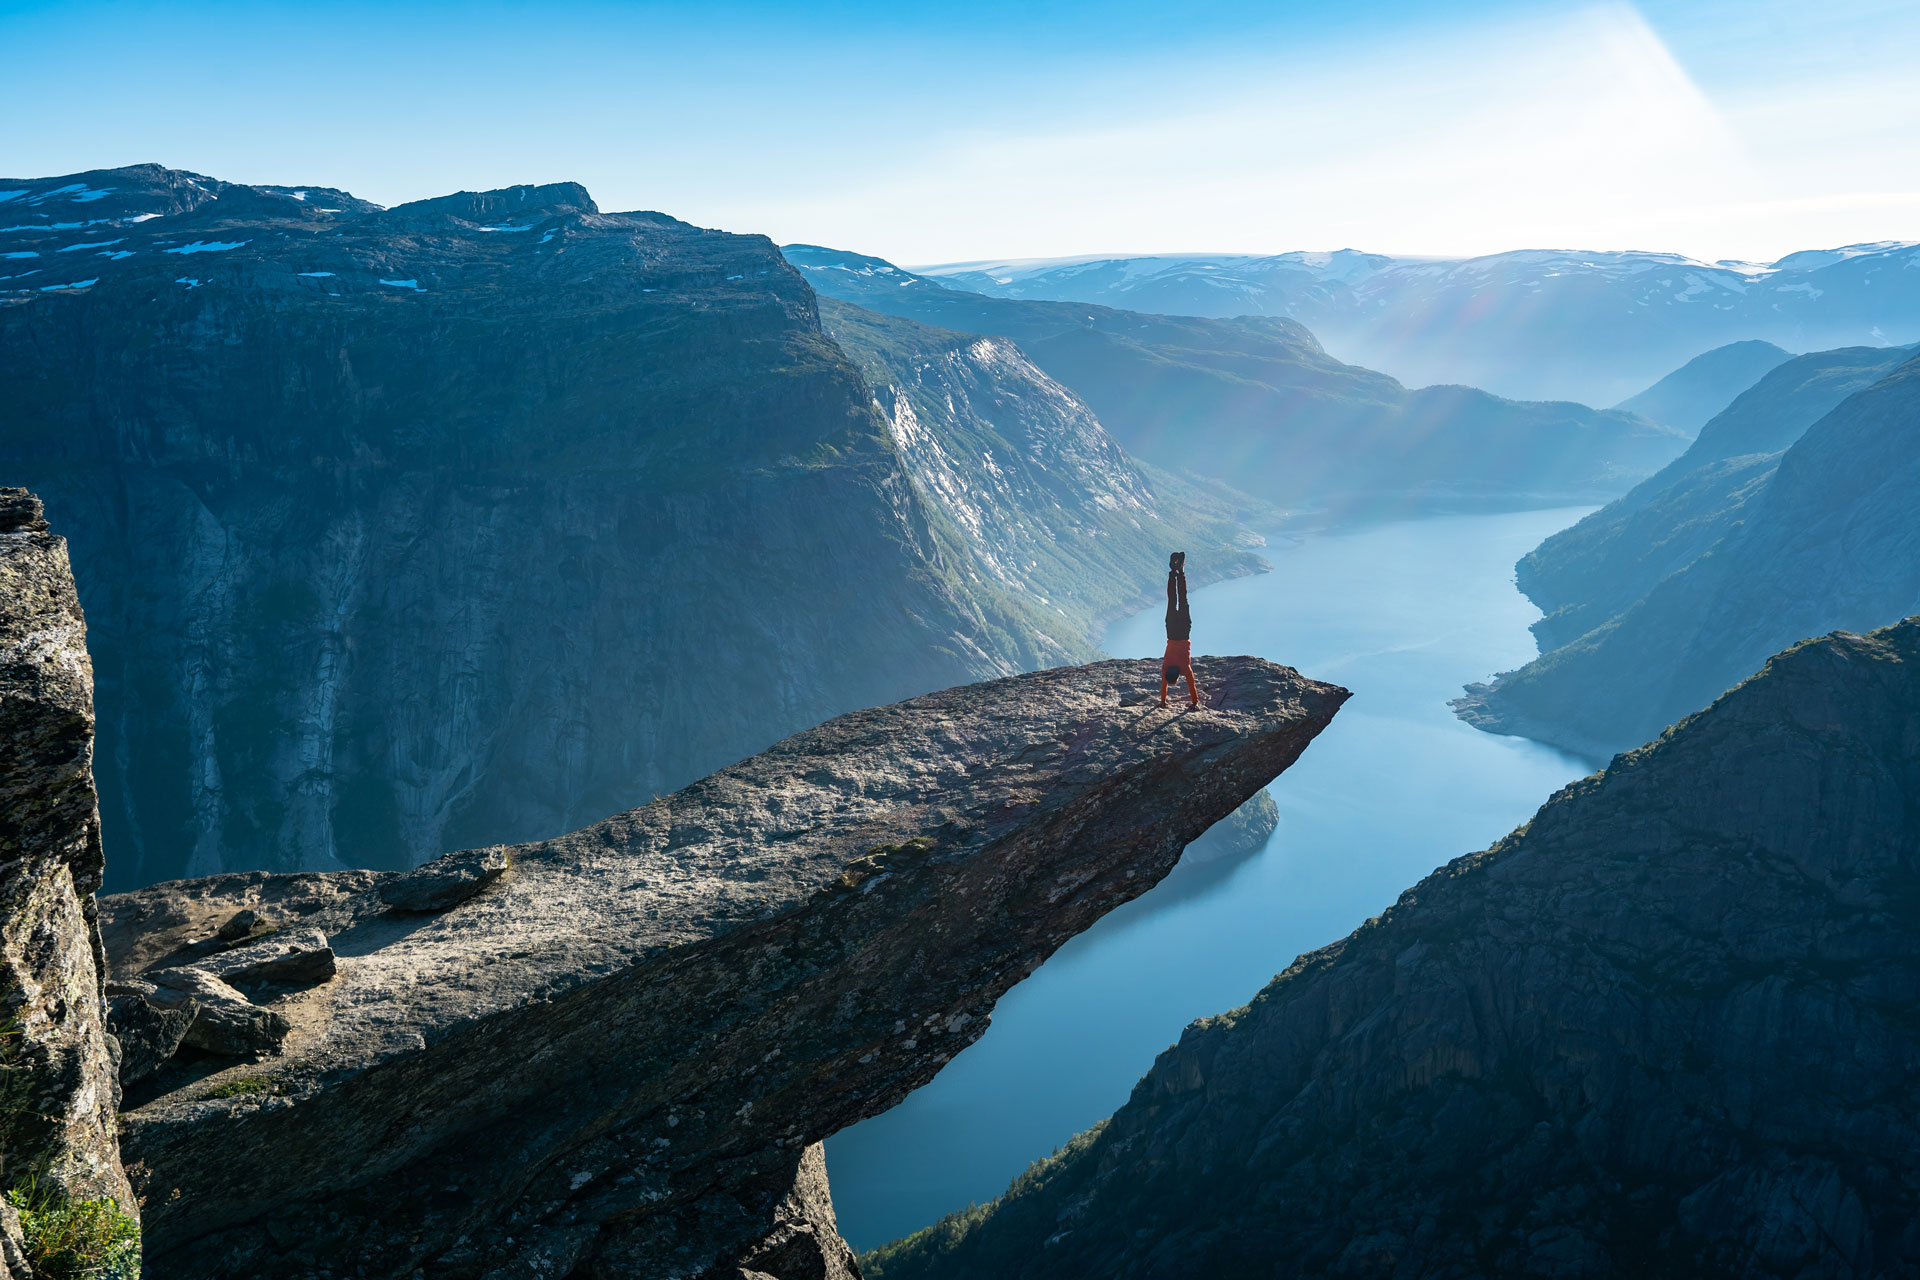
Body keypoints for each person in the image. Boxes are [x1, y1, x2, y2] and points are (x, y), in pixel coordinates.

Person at [1161, 551, 1198, 707]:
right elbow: (1164, 685)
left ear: (1177, 676)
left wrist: (1195, 703)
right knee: (1172, 599)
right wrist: (1162, 700)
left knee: (1182, 599)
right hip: (1171, 630)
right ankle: (1173, 571)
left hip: (1183, 631)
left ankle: (1180, 571)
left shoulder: (1185, 668)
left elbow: (1192, 685)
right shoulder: (1165, 667)